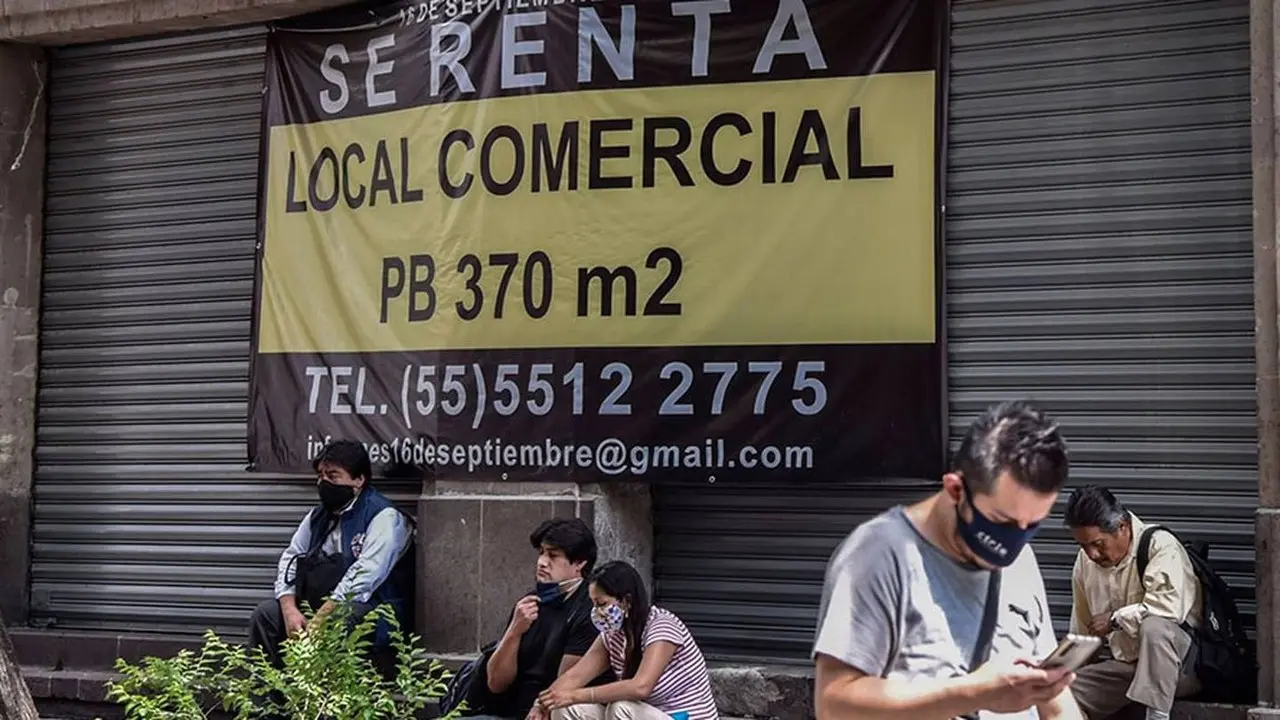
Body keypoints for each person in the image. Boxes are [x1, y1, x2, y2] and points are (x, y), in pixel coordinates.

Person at [812, 399, 1085, 720]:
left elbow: (1053, 698)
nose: (1014, 542)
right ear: (955, 490)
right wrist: (974, 693)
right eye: (1002, 522)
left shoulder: (1022, 559)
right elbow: (834, 703)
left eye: (1033, 525)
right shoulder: (880, 555)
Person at [247, 439, 415, 666]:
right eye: (321, 475)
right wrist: (290, 611)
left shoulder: (385, 517)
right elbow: (291, 557)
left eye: (333, 476)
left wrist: (320, 619)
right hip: (320, 606)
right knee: (266, 614)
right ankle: (270, 697)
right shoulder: (317, 517)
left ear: (359, 480)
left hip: (374, 611)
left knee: (343, 618)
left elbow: (363, 576)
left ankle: (327, 696)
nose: (323, 482)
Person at [1063, 485, 1203, 720]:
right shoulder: (1084, 564)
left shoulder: (1160, 545)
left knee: (1154, 627)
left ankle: (1157, 716)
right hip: (1129, 669)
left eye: (1098, 544)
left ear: (1122, 527)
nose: (1092, 554)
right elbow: (1083, 630)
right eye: (1083, 546)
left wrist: (1114, 619)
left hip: (1181, 667)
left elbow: (1168, 611)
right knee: (1063, 695)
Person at [460, 518, 611, 720]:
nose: (542, 562)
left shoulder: (588, 609)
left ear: (579, 563)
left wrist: (540, 707)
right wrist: (515, 630)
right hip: (505, 710)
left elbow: (567, 683)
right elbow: (496, 683)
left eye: (553, 556)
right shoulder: (529, 604)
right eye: (541, 553)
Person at [534, 560, 719, 720]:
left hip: (681, 715)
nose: (597, 612)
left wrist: (577, 696)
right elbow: (576, 676)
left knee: (622, 708)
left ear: (626, 601)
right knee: (563, 708)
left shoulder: (661, 626)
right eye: (594, 605)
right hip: (644, 714)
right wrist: (541, 704)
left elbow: (641, 687)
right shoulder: (612, 634)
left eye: (602, 604)